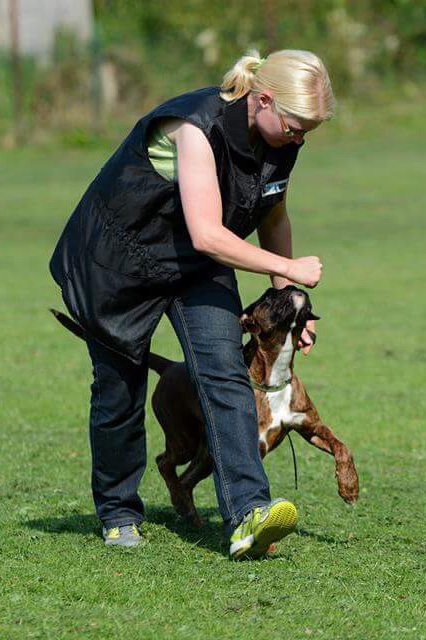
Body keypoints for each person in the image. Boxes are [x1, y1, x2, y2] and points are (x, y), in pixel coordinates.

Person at [50, 49, 334, 559]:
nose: (300, 138)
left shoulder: (281, 140)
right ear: (263, 99)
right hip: (120, 260)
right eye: (295, 126)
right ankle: (118, 512)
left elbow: (273, 217)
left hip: (194, 266)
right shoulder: (194, 126)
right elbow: (207, 233)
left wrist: (290, 303)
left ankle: (249, 511)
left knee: (225, 371)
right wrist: (293, 269)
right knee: (120, 389)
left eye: (307, 131)